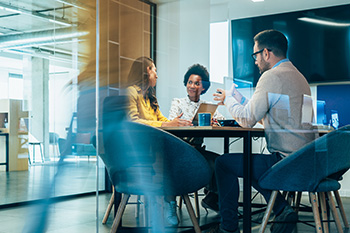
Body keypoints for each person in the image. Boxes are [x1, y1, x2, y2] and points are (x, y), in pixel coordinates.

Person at [210, 29, 315, 233]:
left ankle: (228, 228)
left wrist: (227, 100)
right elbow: (275, 112)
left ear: (266, 53)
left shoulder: (271, 76)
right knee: (252, 163)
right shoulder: (300, 78)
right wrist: (238, 99)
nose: (255, 61)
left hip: (285, 162)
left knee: (223, 163)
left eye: (255, 55)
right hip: (304, 161)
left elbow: (248, 119)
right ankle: (281, 208)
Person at [126, 56, 192, 226]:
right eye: (154, 70)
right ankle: (167, 203)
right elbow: (132, 121)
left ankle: (167, 202)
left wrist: (177, 122)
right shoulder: (131, 92)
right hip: (139, 148)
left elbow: (160, 118)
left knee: (175, 155)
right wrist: (166, 124)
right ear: (146, 71)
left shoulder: (149, 95)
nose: (157, 75)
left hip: (154, 144)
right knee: (170, 157)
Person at [168, 63, 224, 212]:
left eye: (197, 83)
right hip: (180, 151)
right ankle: (211, 196)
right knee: (212, 163)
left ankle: (212, 198)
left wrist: (214, 122)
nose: (192, 86)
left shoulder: (208, 106)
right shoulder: (177, 102)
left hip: (197, 151)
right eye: (190, 82)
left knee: (220, 162)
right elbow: (170, 124)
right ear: (186, 84)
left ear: (203, 87)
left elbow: (221, 120)